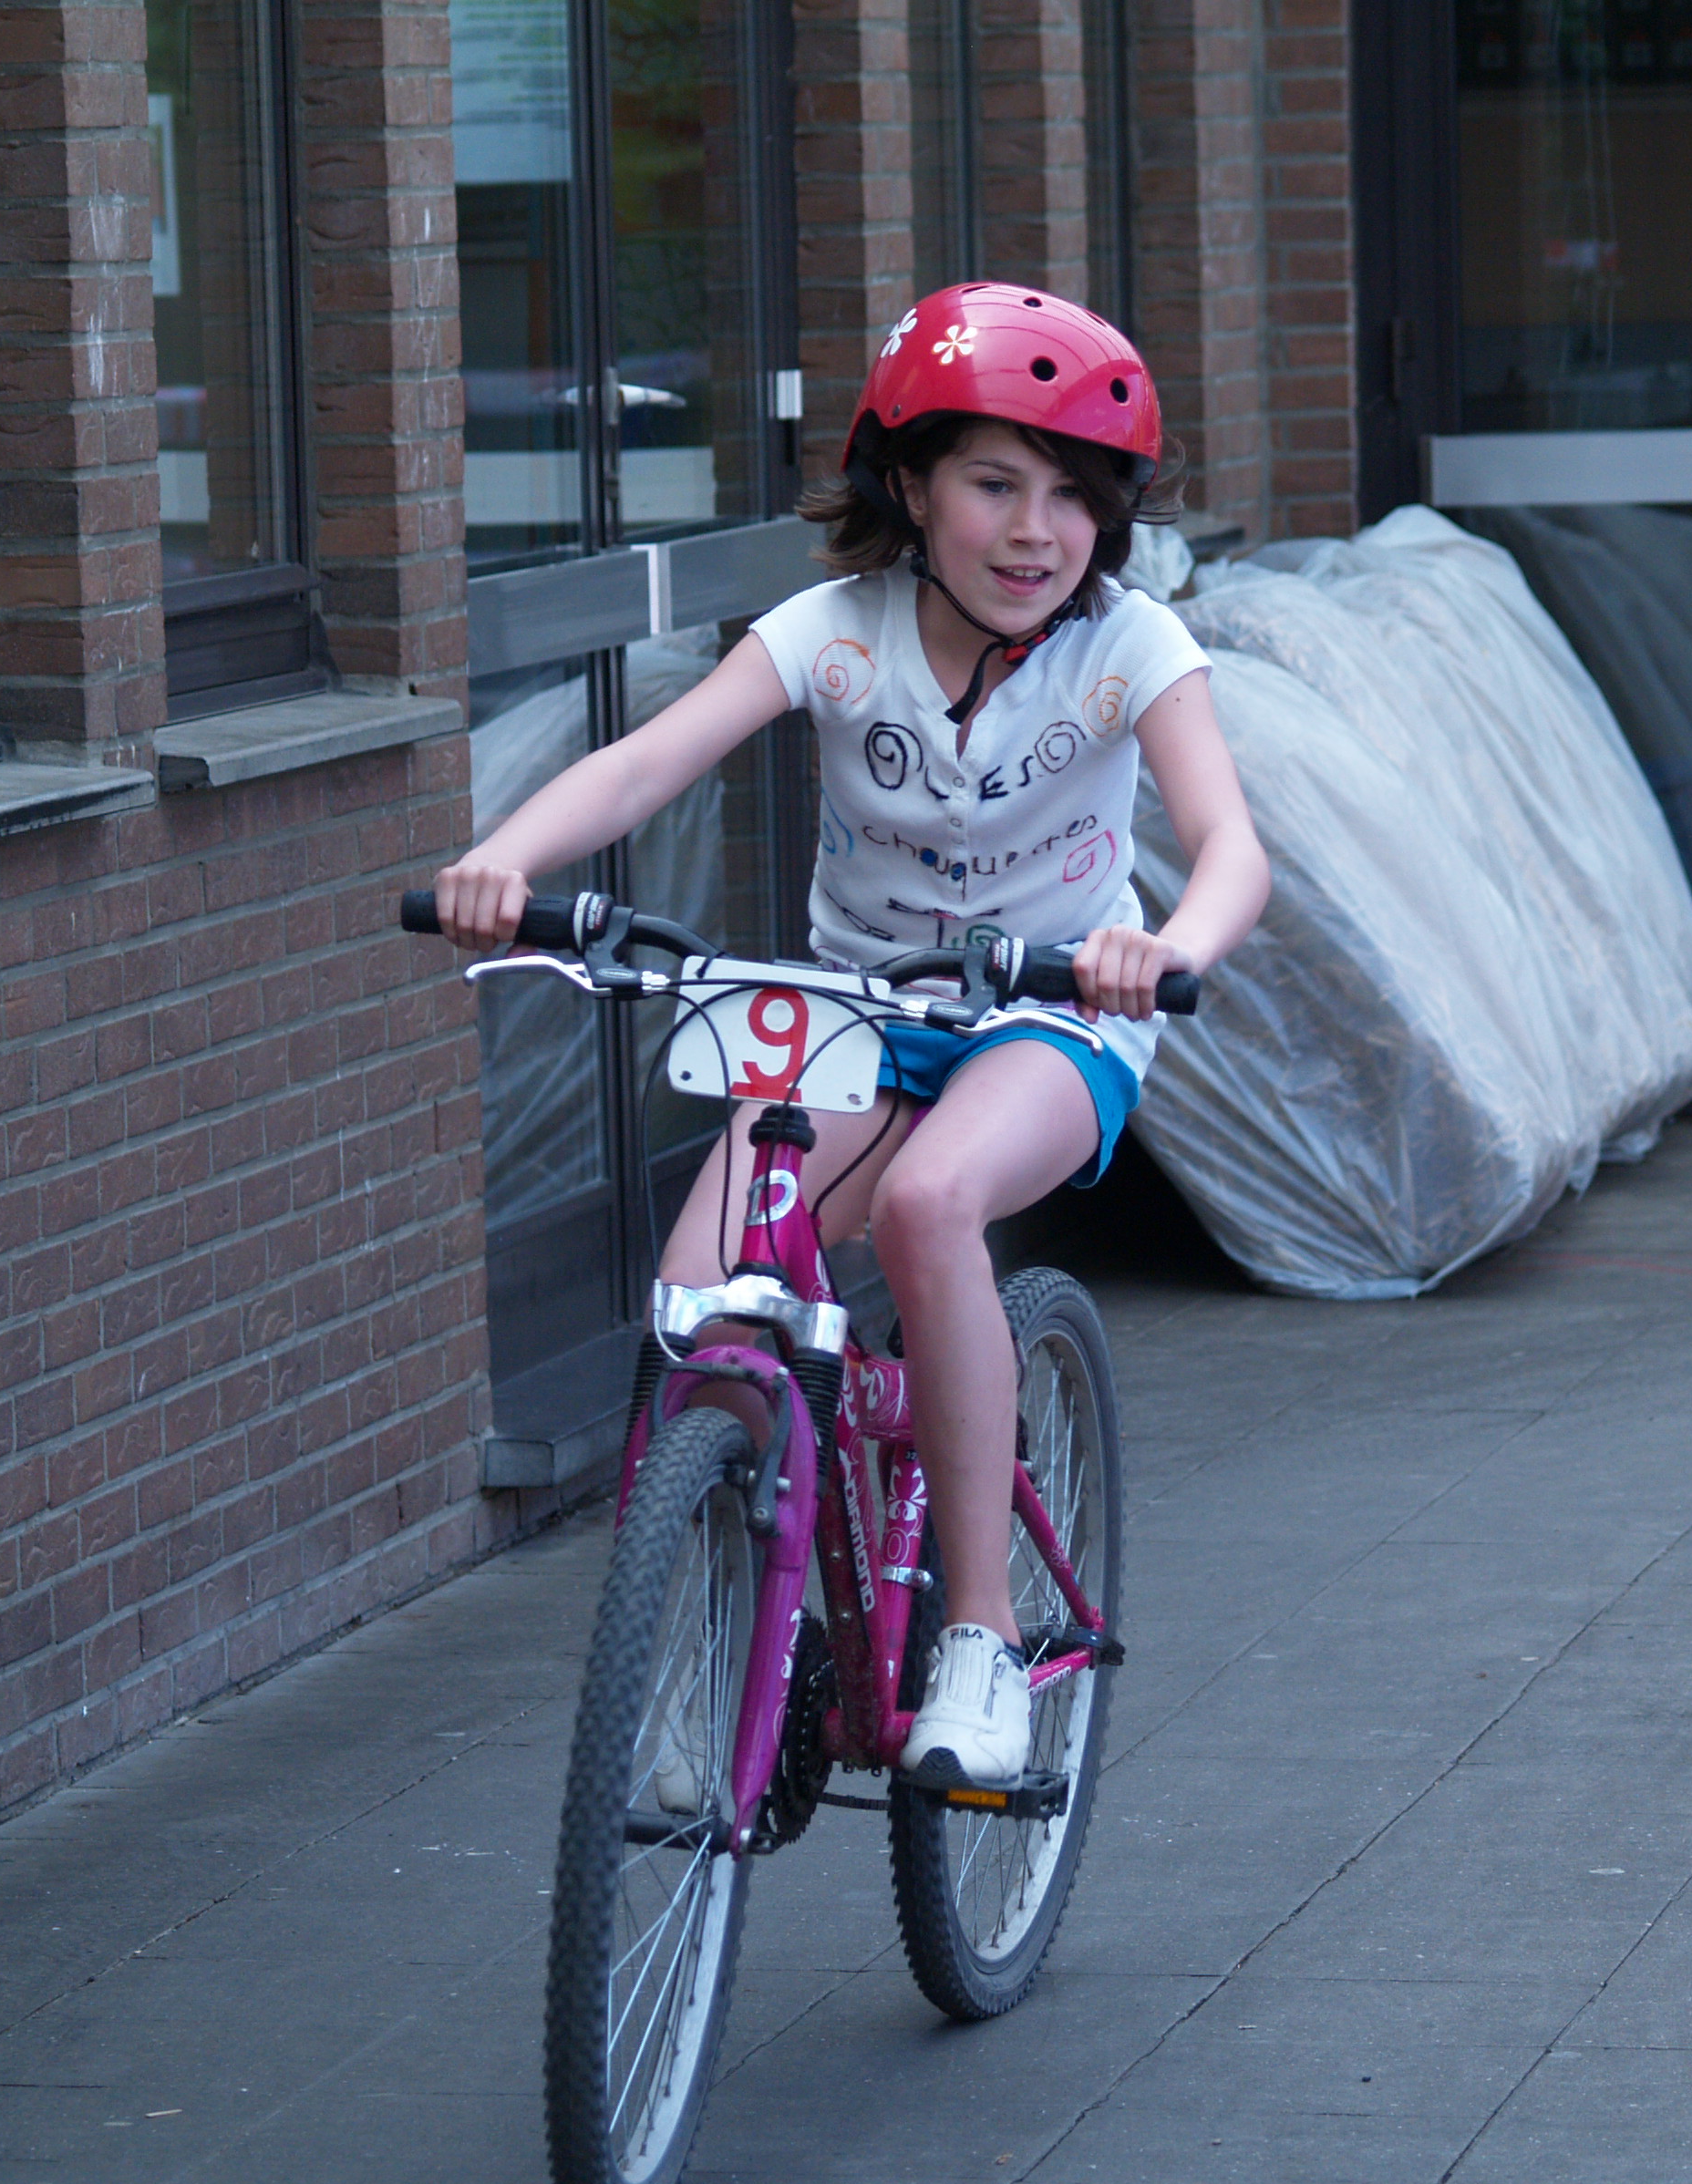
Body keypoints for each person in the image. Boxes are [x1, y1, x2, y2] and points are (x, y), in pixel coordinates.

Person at [432, 284, 1271, 1786]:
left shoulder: (1130, 646)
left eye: (1074, 497)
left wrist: (1167, 950)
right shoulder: (833, 636)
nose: (1037, 532)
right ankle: (713, 1651)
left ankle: (982, 1640)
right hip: (857, 1013)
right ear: (910, 484)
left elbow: (1230, 848)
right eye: (995, 484)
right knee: (704, 1297)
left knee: (934, 1202)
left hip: (1052, 1011)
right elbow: (643, 766)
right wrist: (506, 859)